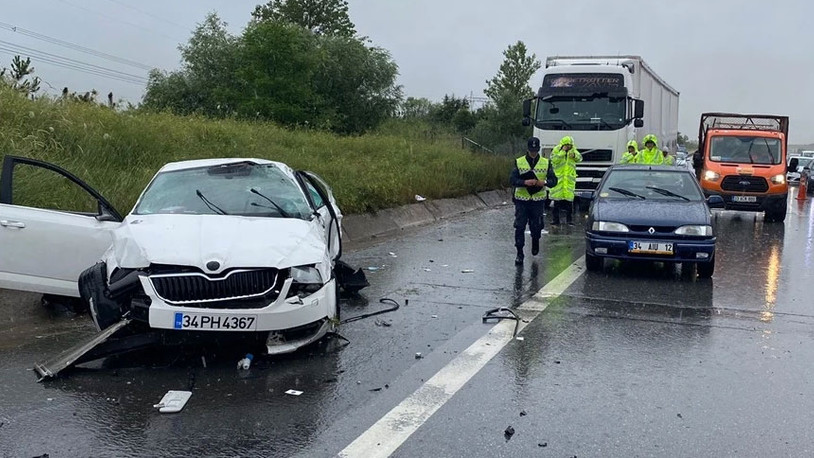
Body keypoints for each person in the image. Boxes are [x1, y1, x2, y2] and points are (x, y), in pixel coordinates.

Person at [510, 137, 558, 265]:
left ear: (539, 149)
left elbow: (554, 181)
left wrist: (545, 182)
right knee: (519, 226)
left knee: (536, 226)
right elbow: (512, 180)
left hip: (537, 200)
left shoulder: (546, 163)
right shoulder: (519, 162)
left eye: (535, 150)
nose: (533, 153)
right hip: (522, 200)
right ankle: (519, 253)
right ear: (527, 149)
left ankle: (535, 240)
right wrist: (524, 182)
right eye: (531, 150)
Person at [549, 136, 582, 226]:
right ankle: (555, 220)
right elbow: (553, 160)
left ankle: (569, 220)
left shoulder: (573, 151)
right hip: (559, 180)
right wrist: (562, 152)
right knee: (556, 201)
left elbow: (580, 158)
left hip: (568, 181)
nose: (568, 147)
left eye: (570, 145)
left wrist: (574, 156)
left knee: (569, 202)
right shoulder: (556, 150)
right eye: (567, 145)